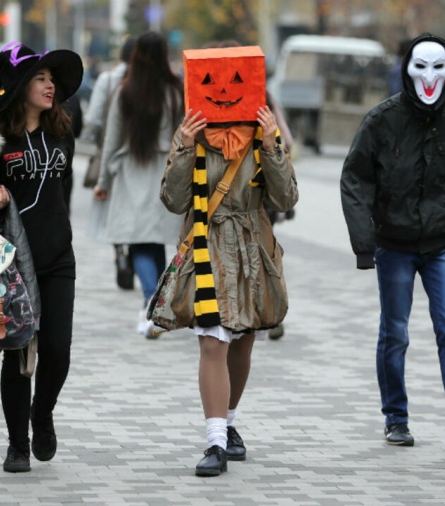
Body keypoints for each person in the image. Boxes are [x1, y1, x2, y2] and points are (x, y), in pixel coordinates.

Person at [340, 33, 445, 451]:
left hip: (441, 243)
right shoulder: (381, 120)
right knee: (395, 333)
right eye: (421, 66)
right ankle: (396, 419)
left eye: (439, 67)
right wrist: (364, 242)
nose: (429, 76)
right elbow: (354, 178)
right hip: (394, 244)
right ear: (408, 69)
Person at [160, 45, 298, 476]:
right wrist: (183, 147)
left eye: (235, 80)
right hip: (206, 243)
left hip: (253, 250)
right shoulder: (193, 131)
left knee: (242, 339)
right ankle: (215, 441)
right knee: (212, 340)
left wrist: (272, 144)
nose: (223, 90)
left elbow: (286, 197)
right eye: (213, 80)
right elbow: (172, 199)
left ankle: (231, 423)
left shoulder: (262, 130)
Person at [0, 41, 83, 473]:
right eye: (40, 78)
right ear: (20, 86)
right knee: (17, 354)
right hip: (13, 262)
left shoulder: (62, 132)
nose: (49, 85)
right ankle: (17, 444)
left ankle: (43, 413)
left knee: (57, 350)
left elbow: (65, 190)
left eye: (51, 78)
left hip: (58, 257)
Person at [92, 31, 183, 338]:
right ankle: (158, 304)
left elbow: (111, 139)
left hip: (132, 171)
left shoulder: (125, 92)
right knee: (159, 240)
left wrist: (103, 181)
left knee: (141, 242)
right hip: (169, 172)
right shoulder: (176, 91)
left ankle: (151, 302)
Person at [84, 36, 137, 291]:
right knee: (138, 209)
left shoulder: (107, 80)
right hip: (144, 157)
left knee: (116, 209)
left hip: (112, 153)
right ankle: (137, 254)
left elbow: (93, 119)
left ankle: (121, 253)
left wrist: (98, 142)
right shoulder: (154, 82)